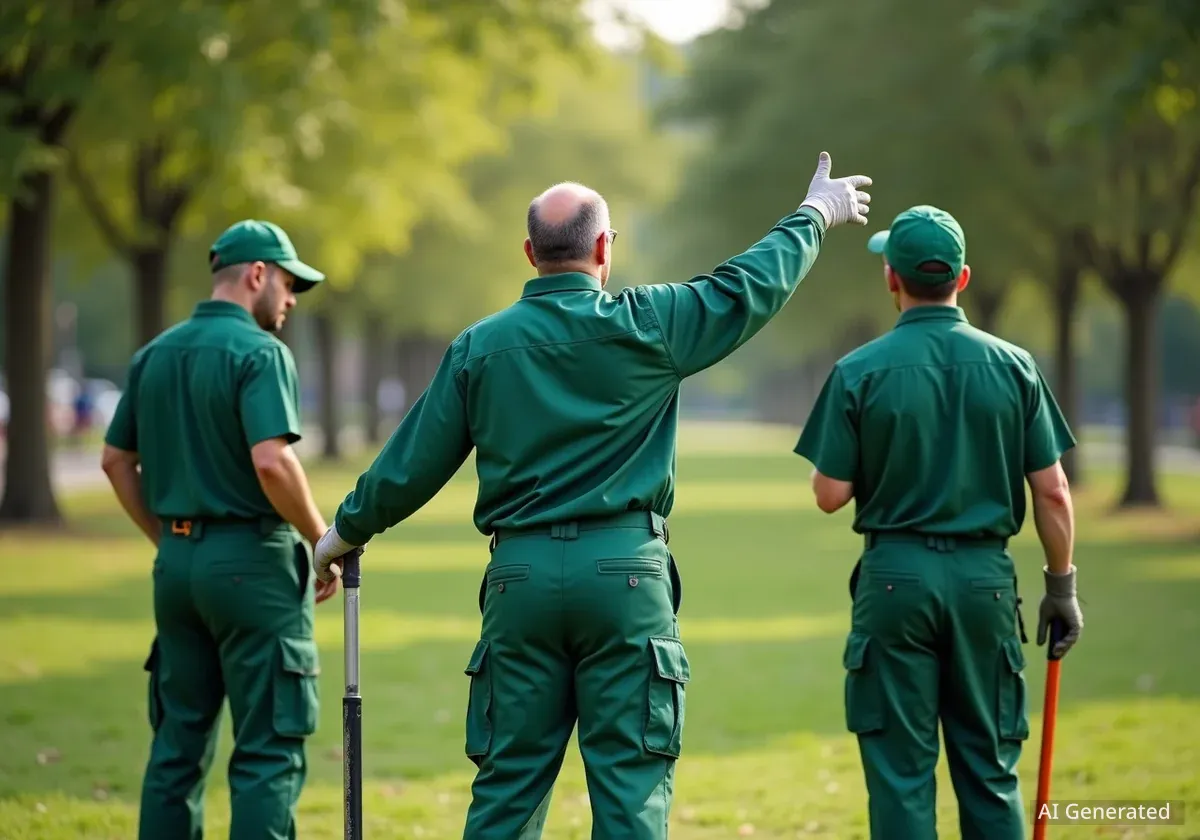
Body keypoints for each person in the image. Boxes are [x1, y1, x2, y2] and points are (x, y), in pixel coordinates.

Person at [310, 152, 873, 838]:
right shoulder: (651, 324)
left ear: (529, 253)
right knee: (632, 791)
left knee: (507, 793)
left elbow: (409, 466)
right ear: (604, 248)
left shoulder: (479, 348)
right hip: (626, 578)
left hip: (519, 582)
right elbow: (744, 287)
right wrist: (814, 214)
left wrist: (342, 535)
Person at [794, 205, 1084, 840]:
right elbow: (1054, 493)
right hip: (986, 583)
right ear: (964, 277)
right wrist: (1060, 589)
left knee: (901, 777)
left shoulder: (858, 370)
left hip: (894, 579)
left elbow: (829, 494)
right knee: (988, 771)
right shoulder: (1015, 366)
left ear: (890, 279)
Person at [101, 220, 339, 840]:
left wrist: (167, 538)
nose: (290, 301)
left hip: (175, 568)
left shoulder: (152, 354)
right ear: (257, 275)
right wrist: (321, 539)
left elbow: (114, 461)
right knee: (267, 750)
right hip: (252, 568)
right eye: (288, 284)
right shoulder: (261, 354)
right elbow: (272, 460)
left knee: (177, 749)